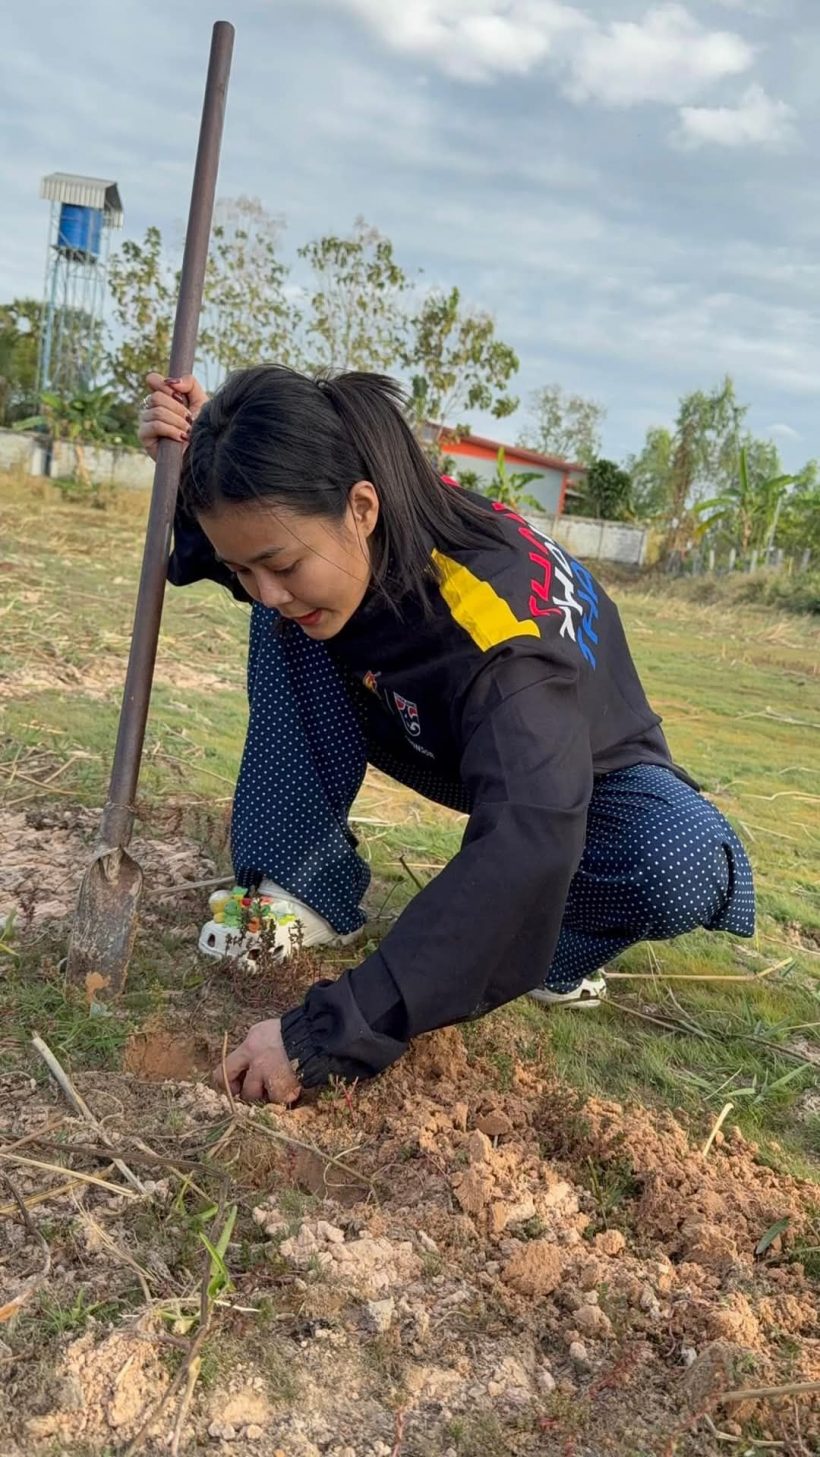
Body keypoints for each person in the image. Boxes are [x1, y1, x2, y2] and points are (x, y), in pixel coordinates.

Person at [138, 366, 755, 1106]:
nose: (262, 589)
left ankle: (550, 952)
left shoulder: (501, 642)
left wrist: (323, 1034)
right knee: (296, 619)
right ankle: (301, 883)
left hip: (581, 770)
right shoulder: (351, 499)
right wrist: (206, 456)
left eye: (279, 563)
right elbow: (268, 538)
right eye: (246, 569)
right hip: (430, 719)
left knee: (679, 861)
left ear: (361, 507)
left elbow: (527, 838)